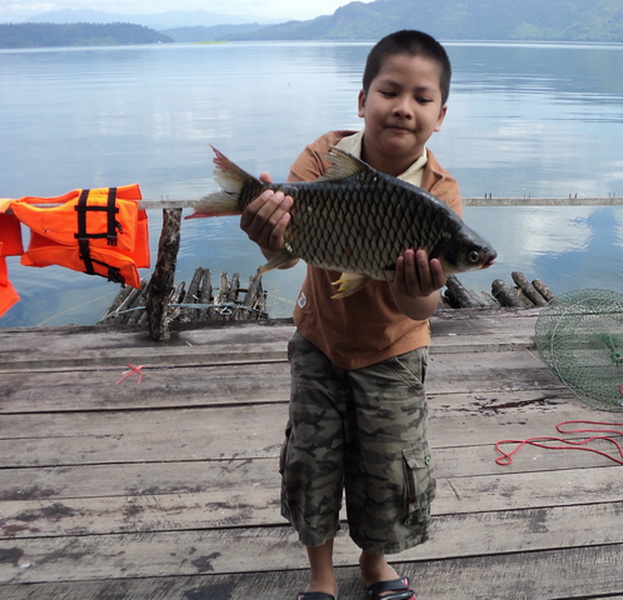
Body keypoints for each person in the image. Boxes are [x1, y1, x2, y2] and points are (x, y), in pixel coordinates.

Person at [240, 30, 461, 600]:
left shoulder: (441, 195)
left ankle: (374, 563)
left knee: (387, 467)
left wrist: (420, 286)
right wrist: (267, 234)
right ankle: (320, 577)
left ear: (440, 114)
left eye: (422, 97)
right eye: (390, 91)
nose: (404, 108)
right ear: (362, 100)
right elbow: (286, 254)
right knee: (312, 461)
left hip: (394, 350)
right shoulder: (322, 159)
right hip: (320, 340)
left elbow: (422, 306)